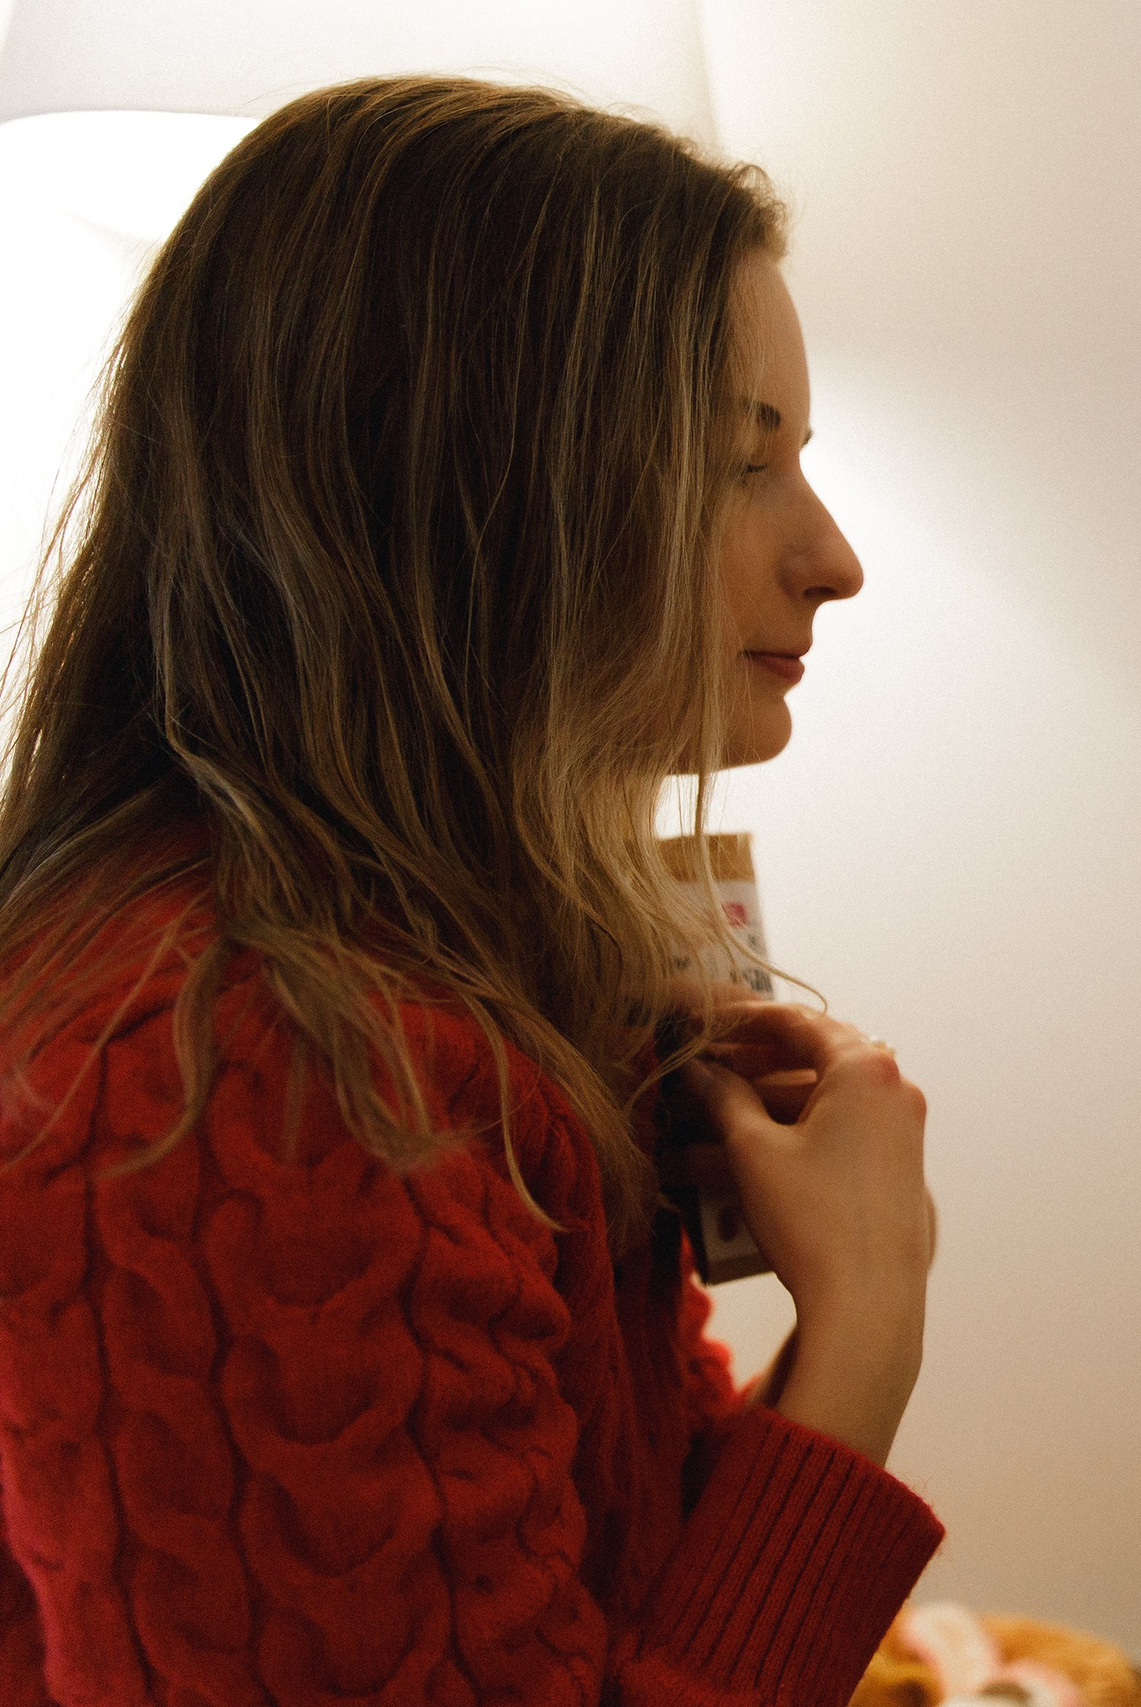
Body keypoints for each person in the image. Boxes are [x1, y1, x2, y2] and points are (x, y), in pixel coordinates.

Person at [0, 76, 941, 1704]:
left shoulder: (439, 1001)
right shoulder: (249, 1079)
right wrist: (866, 1329)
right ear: (474, 487)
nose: (832, 555)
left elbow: (601, 1592)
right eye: (742, 463)